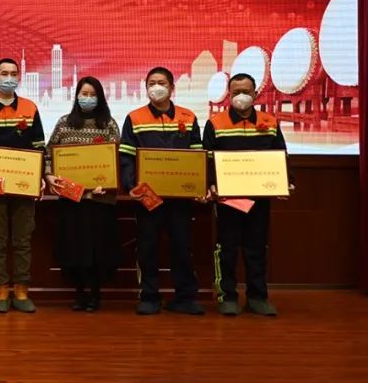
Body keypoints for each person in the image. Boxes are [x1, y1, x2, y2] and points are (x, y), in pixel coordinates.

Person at [204, 72, 293, 317]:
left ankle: (257, 297)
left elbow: (281, 155)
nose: (241, 96)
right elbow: (207, 158)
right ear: (228, 95)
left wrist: (286, 181)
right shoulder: (215, 123)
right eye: (236, 92)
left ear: (255, 93)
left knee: (257, 249)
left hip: (258, 199)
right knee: (227, 250)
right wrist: (210, 184)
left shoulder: (269, 122)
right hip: (227, 200)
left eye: (245, 91)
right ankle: (227, 297)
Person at [119, 67, 205, 316]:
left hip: (180, 198)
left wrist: (198, 186)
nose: (156, 87)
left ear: (172, 88)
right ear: (146, 88)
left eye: (162, 83)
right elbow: (126, 157)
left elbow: (197, 156)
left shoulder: (189, 117)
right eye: (151, 83)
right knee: (147, 247)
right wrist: (132, 186)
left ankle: (185, 297)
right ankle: (149, 296)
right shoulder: (134, 118)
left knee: (182, 247)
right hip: (148, 198)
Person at [0, 57, 46, 313]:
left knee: (23, 240)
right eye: (4, 73)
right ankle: (1, 290)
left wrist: (40, 177)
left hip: (24, 186)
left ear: (19, 78)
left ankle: (22, 290)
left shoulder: (30, 108)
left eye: (13, 73)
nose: (9, 78)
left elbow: (39, 147)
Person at [45, 76, 120, 312]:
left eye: (92, 94)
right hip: (72, 199)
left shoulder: (108, 124)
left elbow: (116, 160)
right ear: (76, 96)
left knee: (98, 249)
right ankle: (79, 293)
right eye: (83, 94)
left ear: (100, 98)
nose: (87, 98)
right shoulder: (64, 123)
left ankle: (95, 294)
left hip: (100, 200)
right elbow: (48, 155)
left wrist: (106, 182)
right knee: (75, 248)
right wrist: (49, 176)